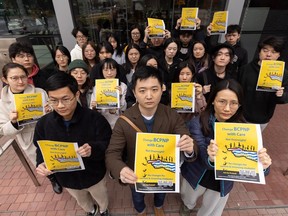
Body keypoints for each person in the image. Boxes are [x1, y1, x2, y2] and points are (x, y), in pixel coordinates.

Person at [105, 66, 197, 216]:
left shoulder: (172, 116)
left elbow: (186, 137)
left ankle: (158, 206)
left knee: (161, 194)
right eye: (142, 91)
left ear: (162, 89)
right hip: (136, 174)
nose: (149, 96)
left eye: (154, 89)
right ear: (134, 92)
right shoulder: (124, 120)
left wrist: (189, 148)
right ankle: (140, 210)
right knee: (137, 196)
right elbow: (112, 153)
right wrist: (121, 169)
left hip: (164, 173)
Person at [180, 79, 272, 216]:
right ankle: (187, 207)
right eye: (222, 101)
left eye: (234, 103)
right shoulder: (197, 122)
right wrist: (210, 158)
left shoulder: (246, 130)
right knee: (188, 198)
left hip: (223, 181)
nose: (227, 108)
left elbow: (255, 167)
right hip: (197, 173)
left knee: (210, 210)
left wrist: (263, 166)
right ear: (212, 100)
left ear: (240, 104)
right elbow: (200, 155)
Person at [33, 72, 112, 216]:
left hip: (94, 174)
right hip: (66, 178)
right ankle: (91, 210)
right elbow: (40, 147)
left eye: (65, 99)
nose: (60, 105)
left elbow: (107, 142)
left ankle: (103, 209)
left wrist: (92, 149)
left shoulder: (95, 119)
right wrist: (41, 163)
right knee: (81, 200)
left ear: (76, 95)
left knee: (101, 196)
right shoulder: (43, 124)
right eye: (53, 100)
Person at [0, 63, 49, 166]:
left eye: (23, 77)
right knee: (42, 165)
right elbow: (3, 130)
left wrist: (50, 110)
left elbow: (53, 108)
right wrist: (13, 122)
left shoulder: (40, 92)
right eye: (14, 78)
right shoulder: (3, 103)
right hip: (28, 138)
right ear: (5, 80)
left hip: (48, 132)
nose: (20, 81)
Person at [238, 36, 288, 131]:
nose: (268, 54)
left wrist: (281, 95)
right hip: (241, 116)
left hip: (263, 118)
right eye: (265, 50)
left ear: (278, 55)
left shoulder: (283, 73)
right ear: (259, 51)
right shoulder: (245, 69)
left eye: (273, 52)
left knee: (254, 143)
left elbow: (284, 98)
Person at [91, 58, 127, 129]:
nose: (109, 73)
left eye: (112, 69)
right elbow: (92, 108)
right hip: (102, 123)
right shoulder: (97, 86)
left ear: (117, 71)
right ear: (102, 71)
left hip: (118, 123)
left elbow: (124, 108)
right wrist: (94, 106)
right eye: (106, 70)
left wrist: (119, 96)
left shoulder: (123, 86)